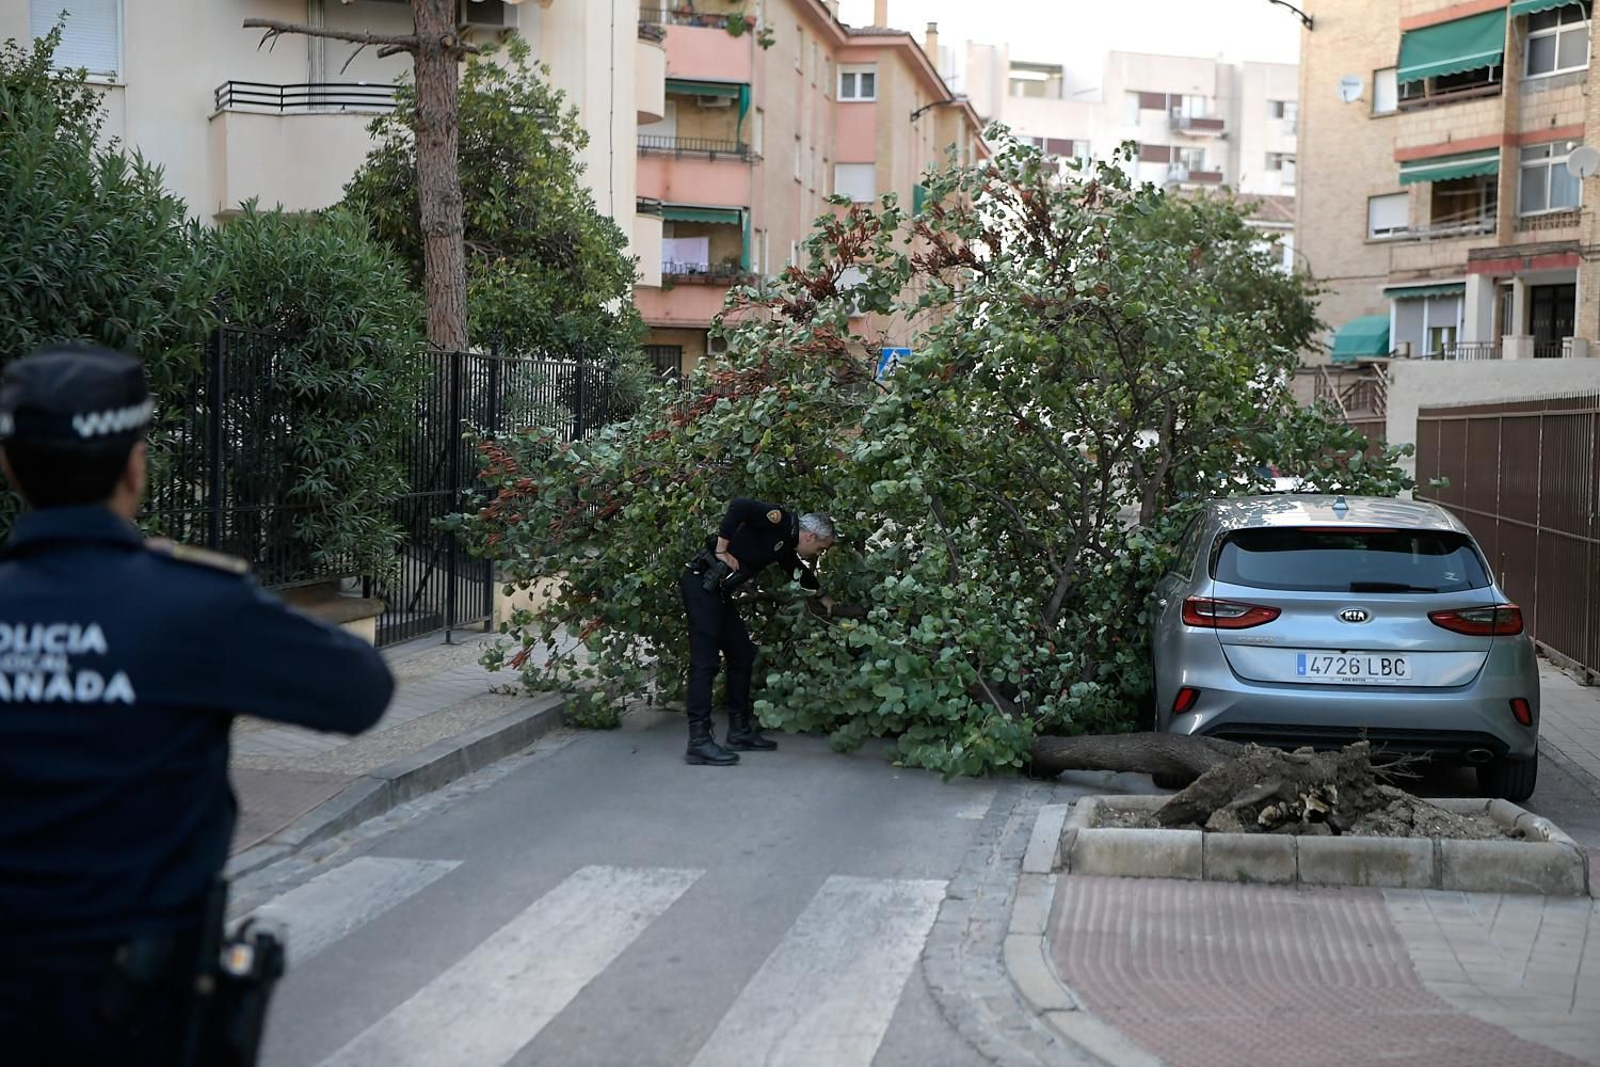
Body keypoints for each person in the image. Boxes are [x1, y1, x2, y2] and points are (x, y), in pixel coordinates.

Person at [0, 345, 396, 1066]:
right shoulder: (189, 605)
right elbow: (363, 688)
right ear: (135, 466)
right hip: (136, 1008)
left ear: (11, 467)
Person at [681, 498, 835, 766]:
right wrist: (721, 549)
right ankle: (698, 741)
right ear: (810, 536)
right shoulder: (779, 519)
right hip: (700, 585)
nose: (817, 554)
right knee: (705, 663)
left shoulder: (786, 543)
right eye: (820, 548)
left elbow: (795, 570)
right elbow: (739, 506)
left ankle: (739, 732)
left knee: (742, 654)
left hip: (717, 592)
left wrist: (822, 595)